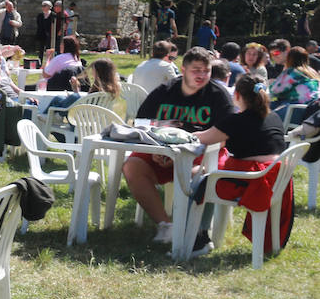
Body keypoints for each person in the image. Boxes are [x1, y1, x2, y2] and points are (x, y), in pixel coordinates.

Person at [123, 46, 232, 250]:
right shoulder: (165, 90)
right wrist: (155, 150)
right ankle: (166, 225)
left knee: (196, 177)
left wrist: (184, 155)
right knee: (131, 166)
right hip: (160, 151)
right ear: (183, 70)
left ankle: (193, 231)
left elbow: (225, 137)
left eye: (206, 71)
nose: (202, 75)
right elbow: (142, 124)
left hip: (203, 154)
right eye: (196, 70)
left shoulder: (218, 95)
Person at [187, 75, 290, 258]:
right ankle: (203, 234)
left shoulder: (236, 120)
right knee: (207, 173)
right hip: (276, 179)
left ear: (237, 95)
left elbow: (201, 138)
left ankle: (197, 238)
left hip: (254, 182)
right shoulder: (274, 117)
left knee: (197, 177)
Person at [267, 47, 319, 116]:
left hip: (295, 111)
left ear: (289, 59)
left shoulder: (292, 72)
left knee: (265, 112)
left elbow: (274, 91)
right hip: (312, 111)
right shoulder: (312, 72)